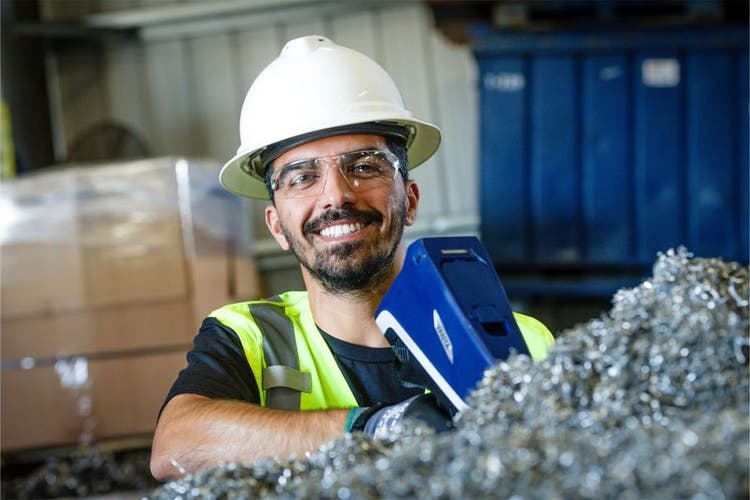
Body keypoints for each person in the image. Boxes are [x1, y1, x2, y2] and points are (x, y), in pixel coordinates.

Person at [150, 35, 554, 481]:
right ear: (276, 225)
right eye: (302, 177)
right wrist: (378, 430)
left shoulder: (522, 343)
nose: (336, 195)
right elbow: (175, 448)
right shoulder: (250, 338)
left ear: (411, 199)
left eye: (364, 167)